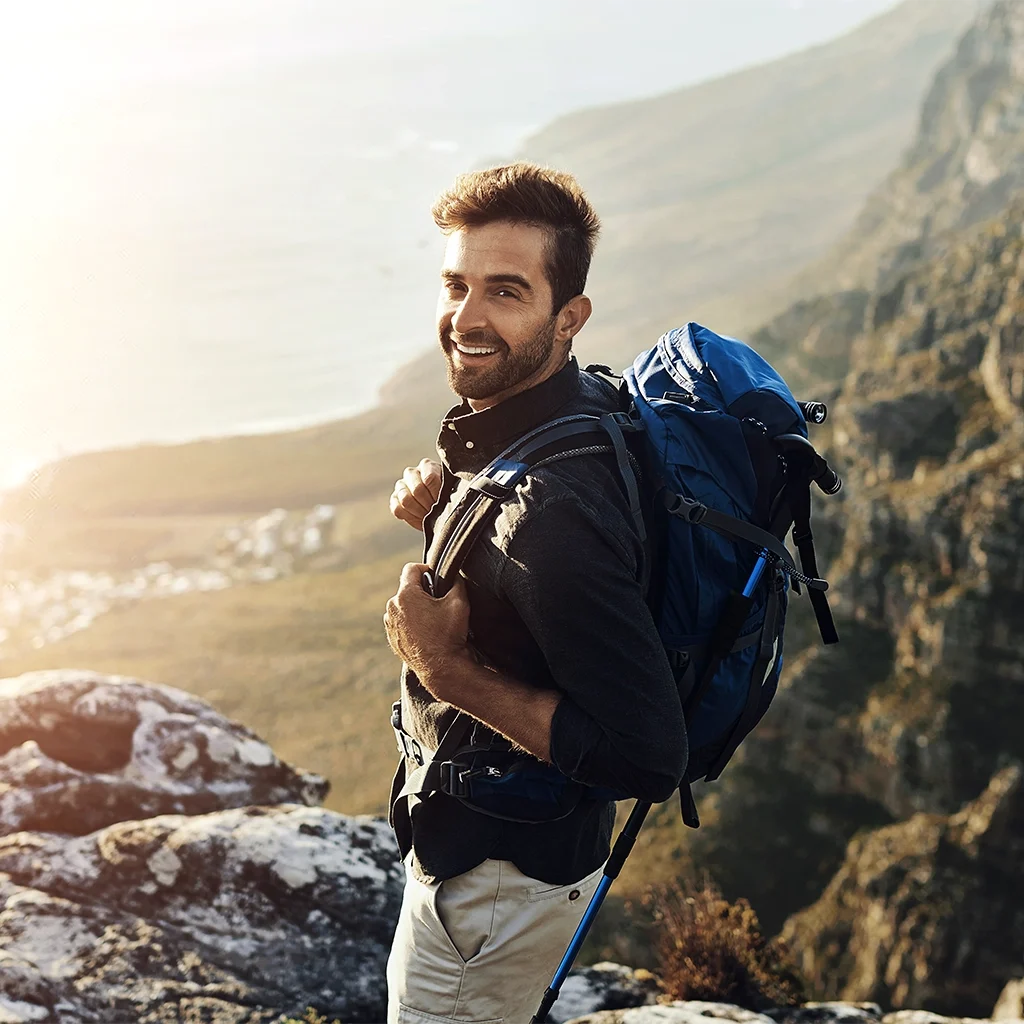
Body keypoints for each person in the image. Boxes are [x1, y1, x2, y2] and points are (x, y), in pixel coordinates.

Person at [382, 162, 687, 1024]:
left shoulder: (551, 512)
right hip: (513, 872)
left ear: (569, 317)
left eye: (506, 292)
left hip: (494, 892)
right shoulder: (581, 406)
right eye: (456, 284)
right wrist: (450, 515)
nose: (465, 318)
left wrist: (444, 669)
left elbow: (647, 755)